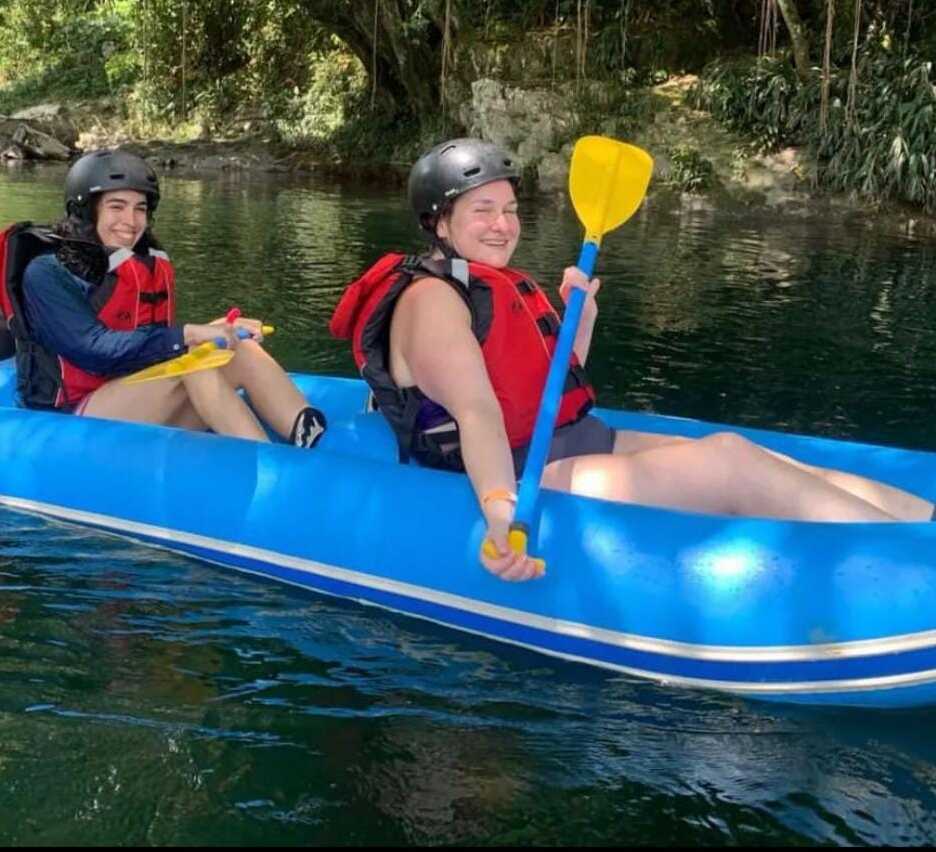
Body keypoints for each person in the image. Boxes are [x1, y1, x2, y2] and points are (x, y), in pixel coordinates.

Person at [330, 137, 934, 582]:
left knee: (764, 458)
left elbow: (544, 389)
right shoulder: (432, 299)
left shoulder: (498, 281)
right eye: (482, 210)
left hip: (567, 440)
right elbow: (479, 414)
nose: (503, 224)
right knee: (728, 463)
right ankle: (914, 562)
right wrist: (498, 513)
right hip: (507, 470)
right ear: (438, 221)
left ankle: (924, 523)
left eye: (510, 209)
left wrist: (580, 321)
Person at [1, 148, 325, 447]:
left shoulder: (140, 261)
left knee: (234, 344)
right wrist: (189, 334)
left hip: (138, 391)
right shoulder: (46, 273)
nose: (130, 221)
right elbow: (94, 350)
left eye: (139, 208)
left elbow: (152, 345)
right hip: (76, 414)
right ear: (85, 210)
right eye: (117, 206)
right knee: (194, 364)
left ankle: (310, 437)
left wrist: (223, 332)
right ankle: (270, 465)